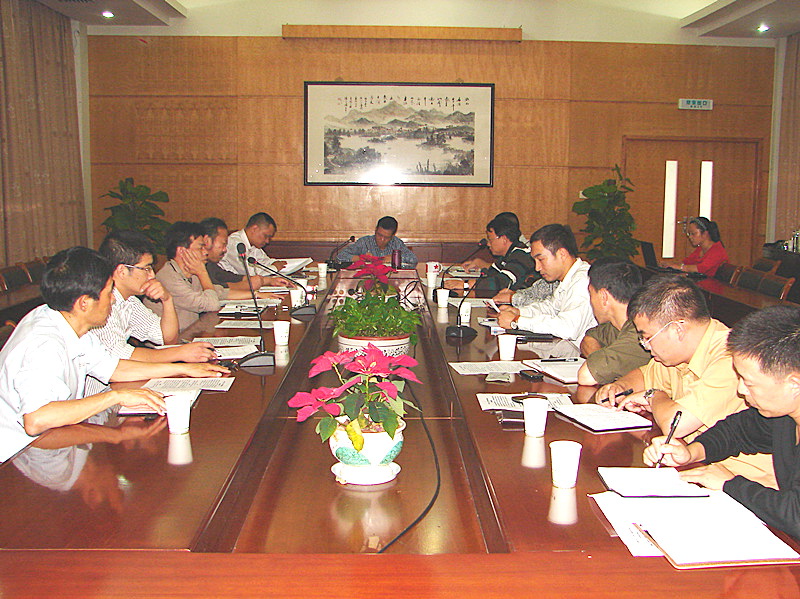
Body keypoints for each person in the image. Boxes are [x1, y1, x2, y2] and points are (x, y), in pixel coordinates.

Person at [0, 247, 228, 462]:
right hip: (18, 459)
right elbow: (37, 419)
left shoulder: (69, 320)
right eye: (109, 292)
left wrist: (184, 368)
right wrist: (115, 397)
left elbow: (115, 369)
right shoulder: (44, 344)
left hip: (54, 445)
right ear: (84, 303)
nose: (113, 300)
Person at [596, 275, 775, 488]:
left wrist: (654, 396)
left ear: (677, 329)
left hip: (746, 485)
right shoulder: (676, 354)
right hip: (697, 465)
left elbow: (677, 424)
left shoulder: (730, 357)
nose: (646, 346)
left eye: (647, 337)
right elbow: (645, 374)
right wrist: (621, 387)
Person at [644, 305, 800, 540]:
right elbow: (739, 431)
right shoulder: (784, 415)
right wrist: (691, 452)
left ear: (793, 384)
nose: (741, 389)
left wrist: (730, 484)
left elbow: (796, 516)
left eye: (749, 382)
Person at [91, 230, 215, 363]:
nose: (152, 275)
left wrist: (167, 300)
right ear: (122, 271)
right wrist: (180, 353)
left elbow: (167, 339)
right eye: (146, 269)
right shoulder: (101, 304)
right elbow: (120, 358)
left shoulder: (130, 301)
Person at [149, 222, 275, 331]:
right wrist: (203, 273)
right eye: (200, 248)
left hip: (191, 334)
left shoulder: (189, 273)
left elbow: (219, 292)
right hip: (174, 343)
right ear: (182, 251)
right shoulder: (170, 279)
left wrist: (256, 295)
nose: (205, 252)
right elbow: (211, 304)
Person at [497, 224, 595, 343]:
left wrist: (517, 321)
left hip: (576, 351)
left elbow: (568, 329)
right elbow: (550, 308)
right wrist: (519, 312)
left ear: (562, 254)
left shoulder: (583, 280)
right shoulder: (568, 278)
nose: (537, 268)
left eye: (541, 259)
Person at [576, 258, 651, 386]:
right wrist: (603, 361)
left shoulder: (640, 331)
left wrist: (600, 364)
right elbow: (589, 338)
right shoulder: (616, 325)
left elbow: (586, 376)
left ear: (604, 297)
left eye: (591, 293)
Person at [200, 218, 289, 291]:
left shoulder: (210, 265)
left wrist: (268, 281)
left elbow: (228, 277)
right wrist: (250, 285)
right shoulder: (235, 243)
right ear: (207, 241)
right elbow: (218, 289)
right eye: (223, 244)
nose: (225, 249)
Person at [217, 212, 287, 277]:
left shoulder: (254, 245)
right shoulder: (235, 243)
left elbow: (265, 262)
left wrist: (283, 263)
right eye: (266, 236)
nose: (267, 241)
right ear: (254, 229)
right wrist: (274, 268)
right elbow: (250, 274)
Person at [336, 216, 418, 267]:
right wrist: (360, 258)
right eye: (379, 235)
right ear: (376, 230)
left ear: (392, 236)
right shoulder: (364, 242)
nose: (382, 239)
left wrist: (395, 258)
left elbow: (413, 259)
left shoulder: (396, 243)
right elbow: (340, 256)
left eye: (386, 237)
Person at [662, 216, 729, 277]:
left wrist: (679, 267)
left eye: (693, 234)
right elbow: (687, 262)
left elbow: (700, 269)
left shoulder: (717, 250)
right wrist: (670, 264)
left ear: (705, 234)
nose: (690, 237)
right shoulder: (700, 249)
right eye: (689, 234)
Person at [463, 211, 528, 272]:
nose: (488, 244)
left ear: (504, 239)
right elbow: (496, 272)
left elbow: (502, 278)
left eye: (491, 239)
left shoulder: (520, 255)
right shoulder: (508, 254)